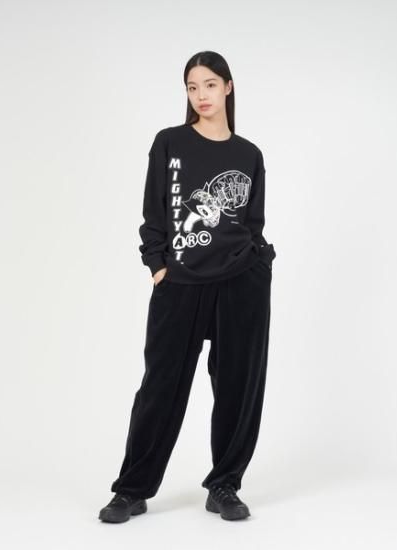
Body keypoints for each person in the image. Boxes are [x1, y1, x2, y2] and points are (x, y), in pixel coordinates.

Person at [98, 50, 276, 523]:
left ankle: (224, 485)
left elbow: (252, 223)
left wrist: (258, 266)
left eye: (210, 85)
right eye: (193, 87)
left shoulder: (249, 155)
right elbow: (154, 211)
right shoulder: (170, 143)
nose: (201, 95)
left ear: (228, 87)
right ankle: (131, 490)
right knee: (161, 385)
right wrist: (158, 265)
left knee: (238, 387)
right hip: (180, 282)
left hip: (241, 281)